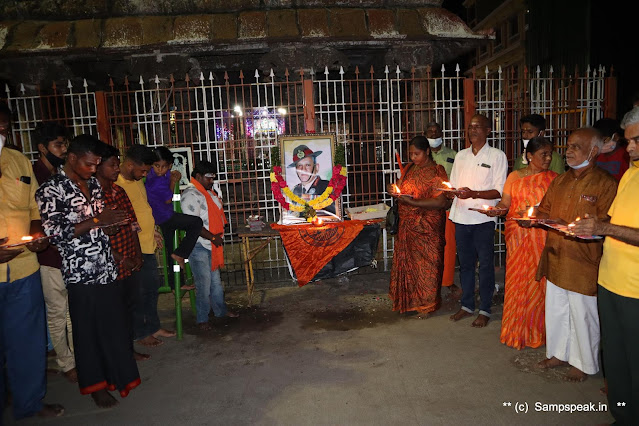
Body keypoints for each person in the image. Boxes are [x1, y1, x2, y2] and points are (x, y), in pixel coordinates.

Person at [36, 134, 140, 408]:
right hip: (80, 273)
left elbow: (100, 226)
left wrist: (110, 226)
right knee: (87, 333)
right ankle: (96, 386)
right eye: (89, 164)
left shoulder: (92, 185)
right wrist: (97, 220)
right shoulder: (51, 190)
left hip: (106, 268)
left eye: (96, 164)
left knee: (113, 327)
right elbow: (55, 234)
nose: (94, 170)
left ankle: (117, 377)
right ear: (72, 159)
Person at [531, 127, 617, 382]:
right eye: (568, 145)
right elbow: (544, 210)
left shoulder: (606, 183)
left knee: (582, 314)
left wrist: (582, 226)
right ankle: (558, 353)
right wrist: (531, 216)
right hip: (557, 254)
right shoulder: (560, 180)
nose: (568, 151)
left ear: (593, 151)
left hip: (584, 260)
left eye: (576, 147)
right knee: (556, 309)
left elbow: (609, 222)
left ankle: (584, 363)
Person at [570, 107, 639, 422]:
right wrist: (593, 224)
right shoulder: (630, 173)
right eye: (627, 141)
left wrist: (605, 227)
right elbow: (616, 219)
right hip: (609, 281)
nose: (629, 148)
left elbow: (616, 228)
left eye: (636, 141)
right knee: (615, 361)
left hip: (635, 291)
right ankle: (622, 417)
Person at [1, 126, 64, 420]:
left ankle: (30, 402)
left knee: (27, 341)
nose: (1, 132)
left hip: (24, 267)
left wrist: (37, 236)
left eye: (5, 127)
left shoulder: (18, 161)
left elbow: (32, 209)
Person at [486, 137, 558, 349]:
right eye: (543, 154)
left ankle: (539, 331)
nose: (548, 158)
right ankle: (516, 330)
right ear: (530, 156)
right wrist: (496, 210)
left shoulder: (555, 179)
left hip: (541, 237)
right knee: (518, 280)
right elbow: (505, 203)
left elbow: (556, 210)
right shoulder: (515, 177)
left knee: (539, 282)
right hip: (517, 235)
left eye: (550, 154)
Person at [447, 113, 508, 328]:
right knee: (465, 265)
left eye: (477, 127)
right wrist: (451, 193)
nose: (472, 130)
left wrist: (473, 193)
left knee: (485, 266)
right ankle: (467, 305)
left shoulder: (497, 156)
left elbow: (499, 191)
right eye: (470, 127)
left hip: (483, 219)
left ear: (488, 130)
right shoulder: (461, 156)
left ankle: (485, 309)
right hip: (461, 217)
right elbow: (454, 185)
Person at [94, 141, 149, 362]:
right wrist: (122, 259)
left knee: (128, 308)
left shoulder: (119, 191)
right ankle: (114, 354)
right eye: (113, 165)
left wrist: (137, 255)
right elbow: (96, 237)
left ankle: (127, 349)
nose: (117, 169)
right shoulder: (93, 196)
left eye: (118, 164)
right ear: (98, 166)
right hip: (109, 264)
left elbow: (132, 225)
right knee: (112, 312)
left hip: (128, 260)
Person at [116, 144, 175, 347]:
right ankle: (140, 333)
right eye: (143, 170)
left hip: (147, 244)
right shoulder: (117, 184)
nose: (145, 174)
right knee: (139, 293)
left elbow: (143, 209)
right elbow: (126, 219)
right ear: (130, 165)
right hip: (133, 248)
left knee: (151, 289)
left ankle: (153, 326)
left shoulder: (136, 180)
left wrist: (153, 231)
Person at [31, 122, 77, 383]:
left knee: (71, 310)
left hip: (68, 254)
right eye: (58, 145)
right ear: (42, 147)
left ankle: (76, 357)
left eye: (65, 144)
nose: (63, 149)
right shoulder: (33, 176)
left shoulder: (61, 175)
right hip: (48, 256)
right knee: (58, 311)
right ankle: (66, 362)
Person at [388, 136, 450, 316]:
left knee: (427, 265)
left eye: (417, 154)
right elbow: (400, 188)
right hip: (407, 225)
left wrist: (414, 203)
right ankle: (408, 301)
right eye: (411, 154)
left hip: (427, 226)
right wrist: (393, 189)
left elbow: (440, 202)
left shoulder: (437, 171)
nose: (413, 157)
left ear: (427, 151)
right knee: (409, 265)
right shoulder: (409, 168)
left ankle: (426, 304)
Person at [181, 160, 238, 331]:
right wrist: (213, 237)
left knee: (216, 283)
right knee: (203, 284)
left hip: (211, 244)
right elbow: (193, 224)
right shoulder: (191, 194)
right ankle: (202, 318)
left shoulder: (208, 192)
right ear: (198, 176)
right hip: (199, 245)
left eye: (213, 178)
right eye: (209, 178)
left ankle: (220, 311)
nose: (211, 181)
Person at [145, 146, 202, 287]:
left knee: (170, 250)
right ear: (152, 165)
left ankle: (176, 284)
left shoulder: (153, 175)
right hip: (166, 216)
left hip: (160, 217)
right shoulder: (157, 181)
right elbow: (168, 199)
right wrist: (173, 182)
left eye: (163, 167)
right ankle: (182, 253)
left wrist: (171, 175)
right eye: (157, 166)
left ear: (169, 166)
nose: (160, 170)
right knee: (196, 223)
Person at [426, 122, 460, 297]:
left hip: (447, 208)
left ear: (442, 133)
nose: (433, 134)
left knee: (448, 246)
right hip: (427, 209)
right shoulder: (423, 155)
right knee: (428, 246)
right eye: (430, 132)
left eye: (436, 131)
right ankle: (429, 280)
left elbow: (458, 179)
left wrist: (450, 198)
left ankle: (447, 280)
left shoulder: (454, 155)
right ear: (425, 134)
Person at [288, 144, 335, 214]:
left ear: (316, 167)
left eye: (307, 165)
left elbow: (333, 213)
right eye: (299, 165)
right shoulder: (294, 190)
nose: (303, 169)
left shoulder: (328, 187)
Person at [594, 117, 629, 182]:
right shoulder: (595, 156)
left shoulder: (626, 156)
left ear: (616, 137)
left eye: (604, 140)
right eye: (597, 141)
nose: (600, 144)